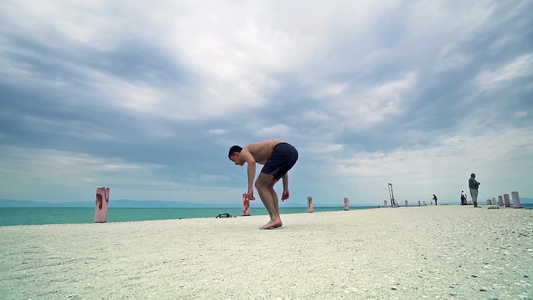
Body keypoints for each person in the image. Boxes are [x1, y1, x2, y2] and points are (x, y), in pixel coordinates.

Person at [228, 139, 298, 229]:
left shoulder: (244, 151)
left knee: (259, 184)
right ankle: (277, 219)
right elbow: (284, 169)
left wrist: (250, 187)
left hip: (281, 149)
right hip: (293, 153)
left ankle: (274, 218)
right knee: (268, 186)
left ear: (236, 154)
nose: (236, 164)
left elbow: (251, 162)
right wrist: (285, 188)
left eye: (234, 160)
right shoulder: (263, 156)